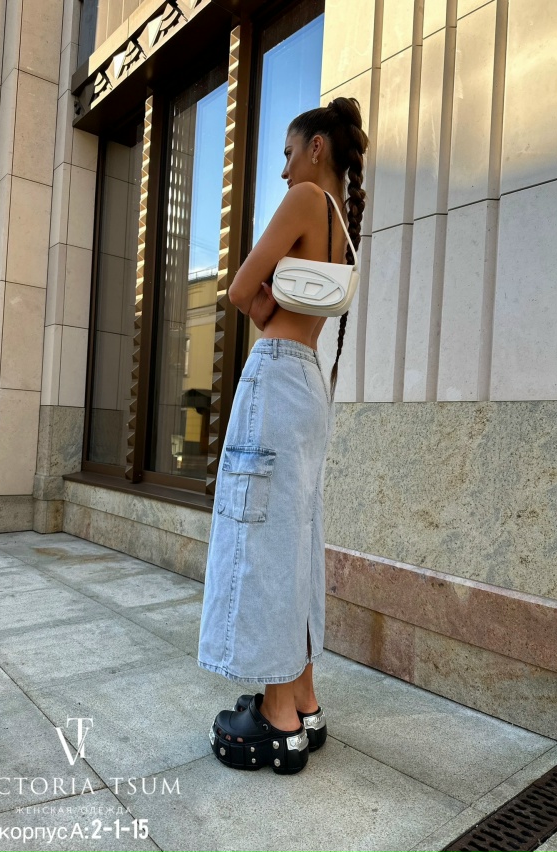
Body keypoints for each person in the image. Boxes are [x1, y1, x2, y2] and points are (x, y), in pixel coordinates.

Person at [197, 97, 369, 774]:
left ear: (316, 147)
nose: (284, 169)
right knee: (295, 535)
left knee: (264, 535)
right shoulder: (344, 225)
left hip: (276, 372)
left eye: (289, 152)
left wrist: (266, 311)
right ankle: (303, 697)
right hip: (310, 383)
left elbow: (241, 289)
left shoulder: (304, 199)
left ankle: (277, 716)